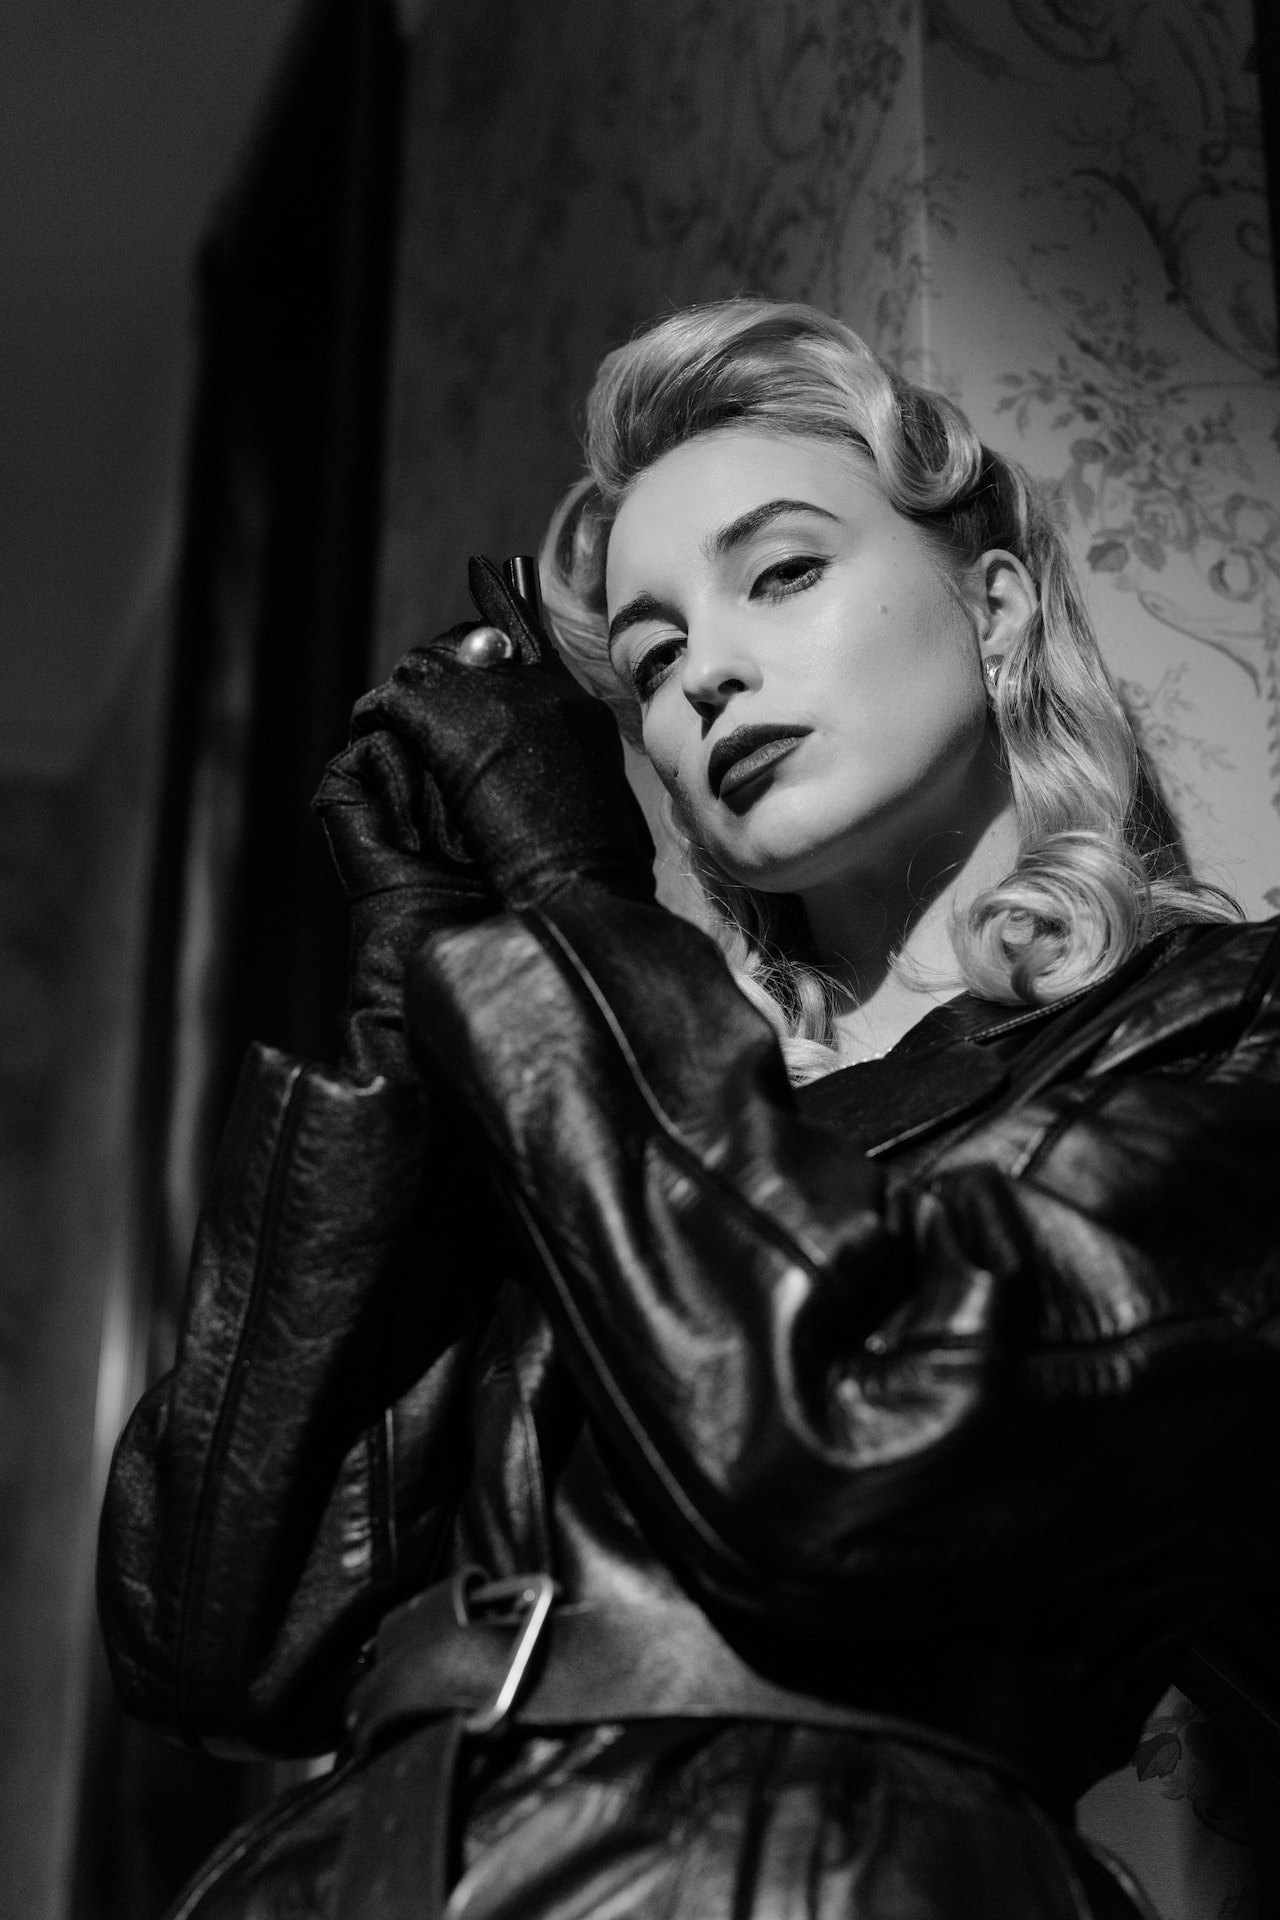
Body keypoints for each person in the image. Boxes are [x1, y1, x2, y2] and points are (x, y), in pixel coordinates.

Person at [98, 299, 1280, 1920]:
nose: (706, 673)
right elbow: (219, 1637)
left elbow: (845, 1445)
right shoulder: (605, 1094)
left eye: (781, 572)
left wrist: (574, 911)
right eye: (651, 663)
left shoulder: (1222, 1023)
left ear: (995, 610)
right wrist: (412, 978)